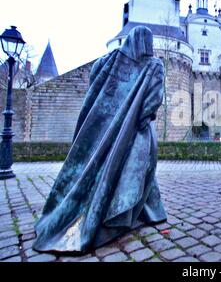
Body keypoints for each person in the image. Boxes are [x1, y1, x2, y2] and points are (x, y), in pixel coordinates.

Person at [33, 26, 167, 254]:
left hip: (105, 130)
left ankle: (136, 211)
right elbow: (152, 102)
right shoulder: (154, 65)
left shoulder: (110, 61)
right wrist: (142, 120)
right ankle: (127, 213)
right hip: (139, 131)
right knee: (141, 170)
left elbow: (94, 84)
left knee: (119, 171)